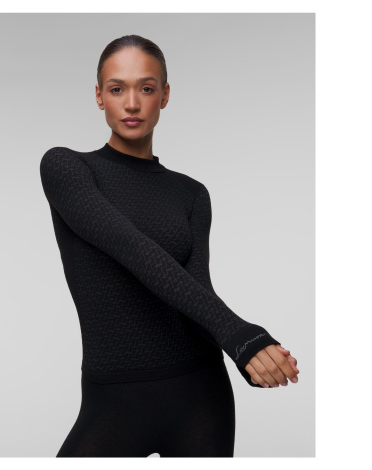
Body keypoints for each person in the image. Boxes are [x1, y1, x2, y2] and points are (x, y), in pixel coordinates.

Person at [40, 34, 299, 458]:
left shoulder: (191, 194)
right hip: (113, 402)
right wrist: (241, 335)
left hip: (201, 397)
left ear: (164, 95)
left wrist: (244, 353)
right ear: (99, 96)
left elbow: (195, 289)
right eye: (117, 89)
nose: (132, 103)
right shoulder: (66, 167)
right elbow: (133, 250)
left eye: (146, 88)